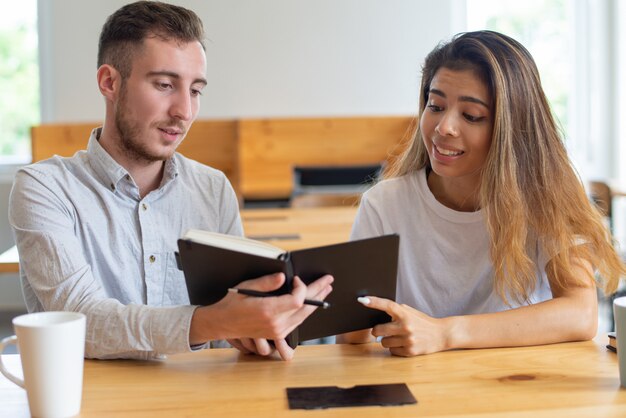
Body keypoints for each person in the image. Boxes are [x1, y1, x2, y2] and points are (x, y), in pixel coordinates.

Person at [8, 1, 332, 361]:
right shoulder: (44, 188)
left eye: (195, 91)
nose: (185, 111)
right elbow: (79, 320)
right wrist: (208, 323)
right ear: (109, 82)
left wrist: (258, 330)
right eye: (164, 85)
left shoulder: (213, 190)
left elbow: (229, 338)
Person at [340, 30, 625, 356]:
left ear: (512, 128)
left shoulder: (547, 199)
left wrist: (445, 333)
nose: (444, 127)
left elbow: (581, 313)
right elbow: (351, 340)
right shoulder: (384, 204)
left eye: (471, 115)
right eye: (435, 106)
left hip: (521, 389)